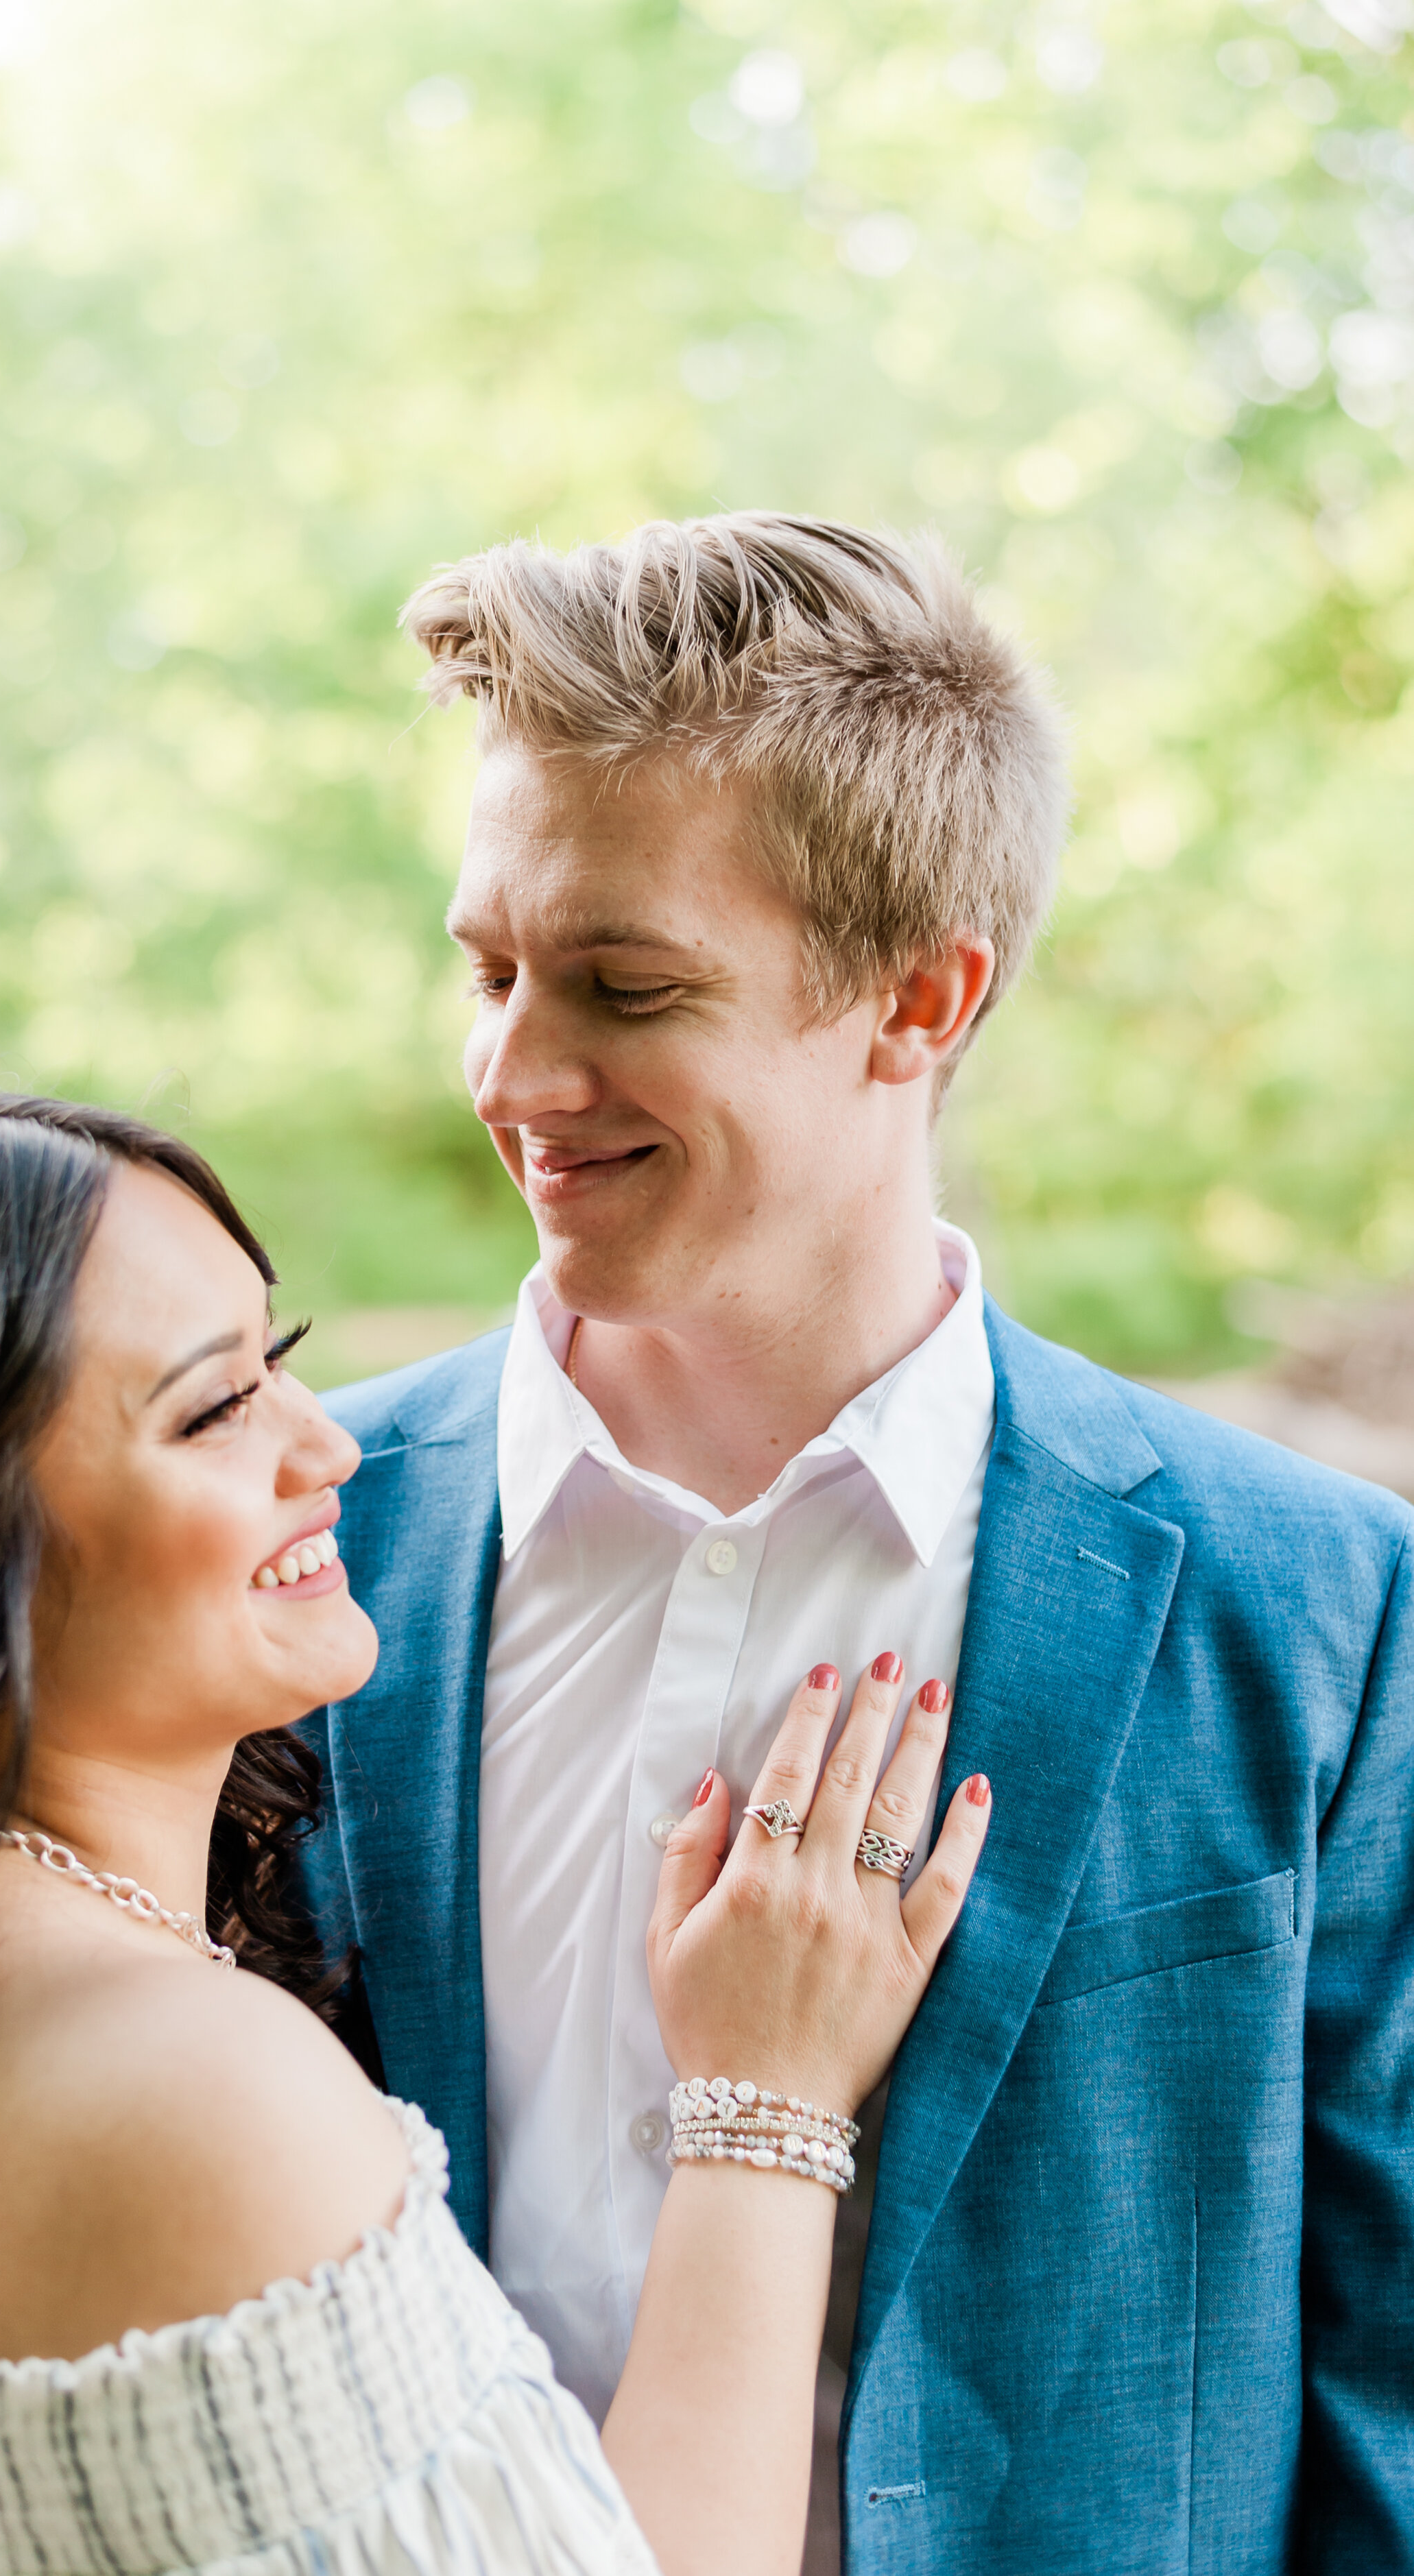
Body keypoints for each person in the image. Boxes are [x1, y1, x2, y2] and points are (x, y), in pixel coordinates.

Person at [296, 512, 1414, 2573]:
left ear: (917, 998)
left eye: (624, 984)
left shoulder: (1325, 1613)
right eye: (489, 964)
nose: (512, 1071)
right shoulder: (291, 1551)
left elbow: (1388, 2408)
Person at [0, 1090, 991, 2576]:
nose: (326, 1445)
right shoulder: (191, 2084)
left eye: (280, 1362)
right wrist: (766, 2101)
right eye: (211, 1409)